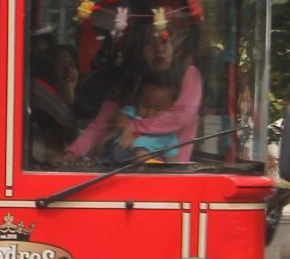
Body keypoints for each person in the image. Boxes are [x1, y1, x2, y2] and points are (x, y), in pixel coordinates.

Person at [68, 10, 201, 165]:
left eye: (165, 40)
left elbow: (179, 118)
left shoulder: (188, 75)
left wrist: (130, 125)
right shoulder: (133, 83)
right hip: (126, 172)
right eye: (149, 42)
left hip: (174, 174)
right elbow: (102, 123)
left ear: (175, 47)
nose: (159, 49)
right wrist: (73, 152)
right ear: (139, 50)